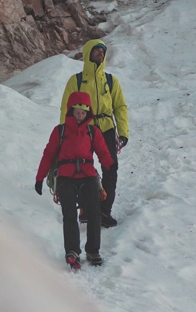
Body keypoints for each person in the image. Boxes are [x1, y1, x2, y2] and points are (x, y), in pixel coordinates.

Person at [35, 91, 114, 269]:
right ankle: (72, 251)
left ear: (88, 113)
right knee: (69, 215)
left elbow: (102, 151)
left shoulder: (92, 132)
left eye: (83, 113)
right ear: (71, 111)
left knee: (94, 213)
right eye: (77, 112)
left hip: (87, 175)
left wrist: (109, 164)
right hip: (65, 177)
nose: (80, 116)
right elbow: (48, 154)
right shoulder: (60, 131)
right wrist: (39, 178)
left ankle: (93, 250)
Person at [59, 39, 128, 228]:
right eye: (96, 51)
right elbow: (67, 107)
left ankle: (104, 210)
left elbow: (120, 107)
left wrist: (123, 132)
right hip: (83, 130)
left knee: (110, 169)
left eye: (102, 52)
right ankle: (86, 209)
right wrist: (65, 133)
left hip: (105, 128)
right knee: (80, 169)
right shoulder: (76, 80)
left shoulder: (110, 81)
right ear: (88, 53)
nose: (100, 54)